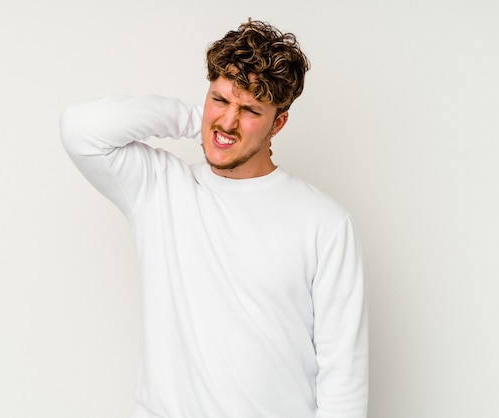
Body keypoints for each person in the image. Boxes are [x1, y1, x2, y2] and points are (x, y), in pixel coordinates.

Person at [60, 19, 368, 418]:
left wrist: (217, 121)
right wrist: (196, 123)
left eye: (250, 110)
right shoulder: (159, 189)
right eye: (220, 100)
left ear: (278, 122)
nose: (228, 121)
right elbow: (80, 129)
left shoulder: (324, 222)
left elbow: (343, 374)